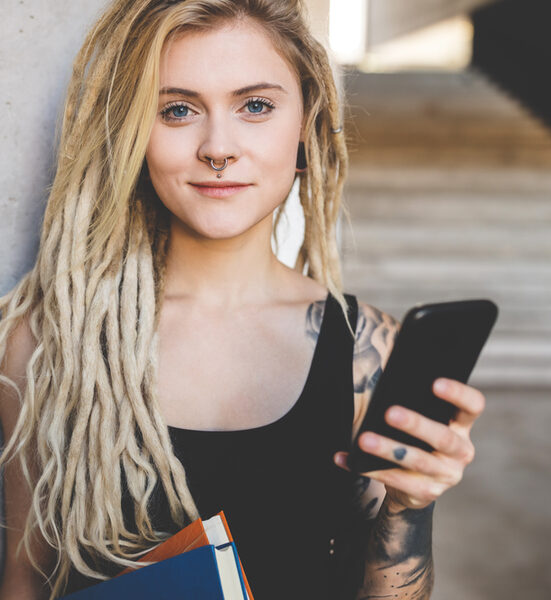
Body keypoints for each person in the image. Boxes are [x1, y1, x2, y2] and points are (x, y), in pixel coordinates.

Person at [0, 1, 485, 598]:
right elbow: (25, 579)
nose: (218, 147)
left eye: (255, 105)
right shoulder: (48, 341)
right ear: (132, 132)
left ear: (306, 124)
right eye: (178, 110)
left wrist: (411, 508)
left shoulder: (366, 352)